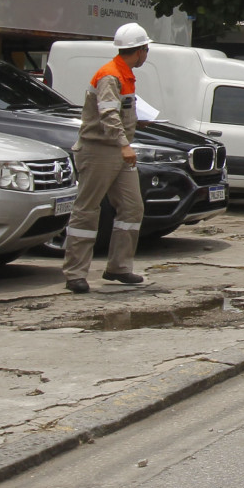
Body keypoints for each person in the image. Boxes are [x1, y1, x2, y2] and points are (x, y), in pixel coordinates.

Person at [62, 22, 154, 294]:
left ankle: (119, 267)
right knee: (87, 210)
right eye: (146, 50)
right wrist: (125, 144)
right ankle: (75, 273)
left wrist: (137, 123)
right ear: (139, 51)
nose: (146, 55)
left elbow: (118, 112)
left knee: (132, 207)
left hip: (116, 149)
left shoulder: (124, 75)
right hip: (99, 149)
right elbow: (108, 115)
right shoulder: (110, 75)